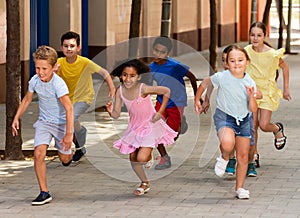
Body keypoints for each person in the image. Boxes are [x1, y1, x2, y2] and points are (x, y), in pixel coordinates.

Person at [12, 46, 74, 205]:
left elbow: (69, 108)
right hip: (44, 123)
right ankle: (44, 192)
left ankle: (72, 148)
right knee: (39, 153)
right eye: (38, 67)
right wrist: (16, 118)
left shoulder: (58, 84)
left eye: (44, 68)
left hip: (61, 124)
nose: (40, 72)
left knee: (65, 159)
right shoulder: (34, 81)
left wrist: (68, 133)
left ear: (54, 67)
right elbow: (27, 100)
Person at [194, 45, 258, 199]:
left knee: (243, 156)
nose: (237, 63)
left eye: (240, 60)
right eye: (232, 60)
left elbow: (253, 108)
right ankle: (224, 158)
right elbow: (205, 83)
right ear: (227, 64)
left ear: (247, 62)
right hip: (225, 117)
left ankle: (240, 188)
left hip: (243, 120)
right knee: (228, 143)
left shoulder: (250, 82)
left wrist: (252, 97)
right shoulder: (222, 77)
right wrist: (197, 100)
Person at [106, 59, 177, 195]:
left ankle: (148, 157)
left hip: (149, 125)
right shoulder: (119, 91)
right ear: (120, 76)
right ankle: (144, 182)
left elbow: (166, 91)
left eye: (132, 76)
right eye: (125, 75)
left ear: (139, 77)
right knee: (133, 158)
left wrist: (160, 111)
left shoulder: (143, 88)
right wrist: (110, 111)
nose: (128, 79)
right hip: (134, 128)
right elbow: (116, 114)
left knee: (141, 158)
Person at [57, 31, 116, 162]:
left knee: (69, 119)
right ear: (61, 48)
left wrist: (112, 88)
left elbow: (105, 73)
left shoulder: (85, 62)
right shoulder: (59, 63)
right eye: (66, 46)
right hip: (67, 99)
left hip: (85, 98)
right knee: (71, 119)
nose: (69, 49)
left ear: (78, 48)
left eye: (72, 46)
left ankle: (74, 146)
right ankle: (80, 134)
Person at [245, 22, 291, 168]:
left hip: (267, 91)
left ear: (264, 36)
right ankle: (255, 154)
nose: (255, 38)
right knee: (253, 124)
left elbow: (285, 68)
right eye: (252, 35)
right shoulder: (246, 51)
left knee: (264, 125)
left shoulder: (272, 54)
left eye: (259, 35)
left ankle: (277, 129)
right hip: (252, 91)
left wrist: (286, 89)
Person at [149, 36, 198, 170]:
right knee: (155, 128)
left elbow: (192, 77)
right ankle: (164, 157)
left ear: (167, 53)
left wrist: (197, 97)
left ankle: (181, 123)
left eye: (162, 52)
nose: (158, 54)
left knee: (172, 136)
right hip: (161, 101)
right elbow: (147, 85)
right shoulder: (151, 67)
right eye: (156, 50)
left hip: (177, 102)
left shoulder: (175, 66)